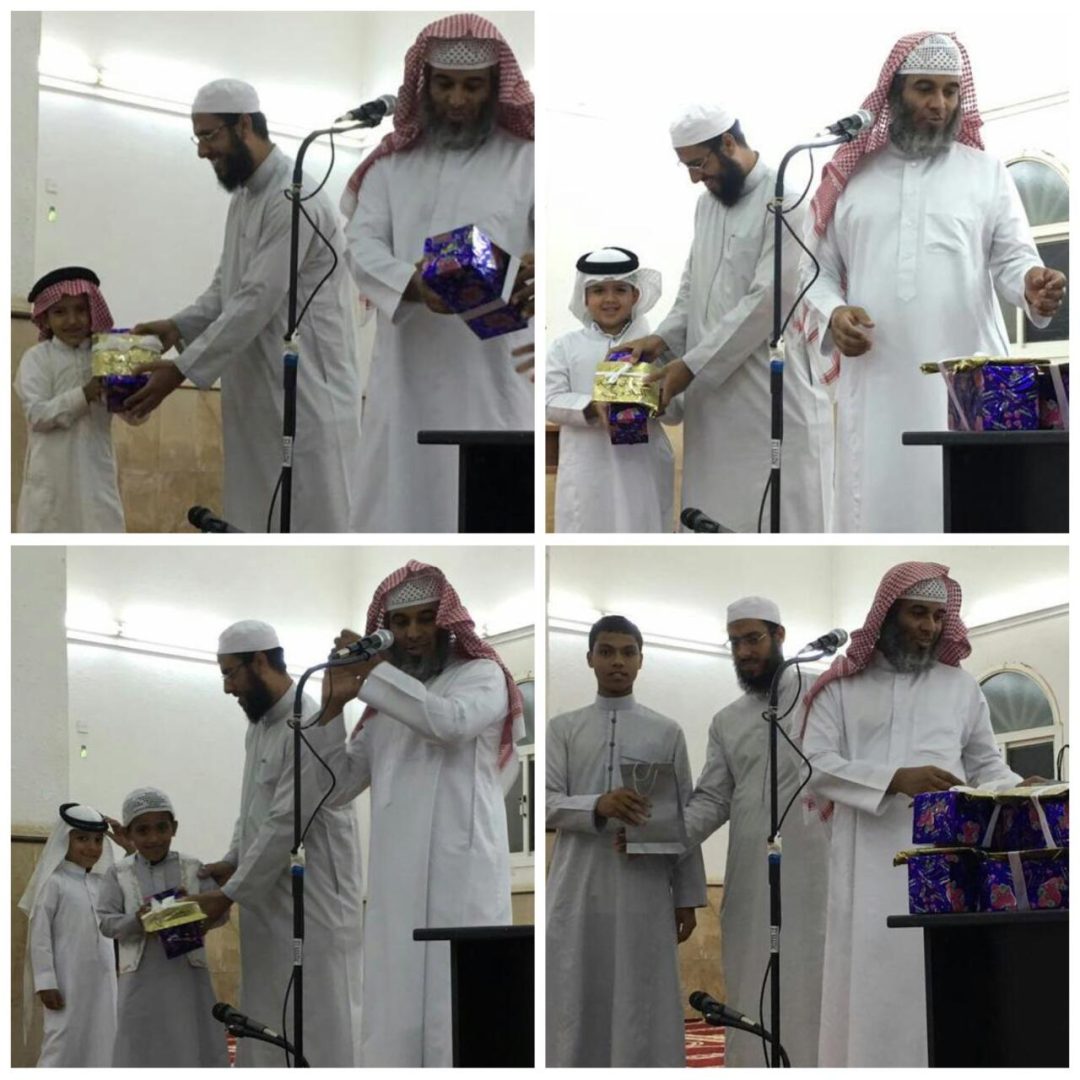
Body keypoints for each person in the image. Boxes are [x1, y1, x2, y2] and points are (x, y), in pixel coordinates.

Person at [800, 32, 1068, 532]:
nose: (939, 104)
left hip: (966, 385)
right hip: (877, 382)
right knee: (877, 508)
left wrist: (1031, 284)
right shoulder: (855, 177)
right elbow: (816, 272)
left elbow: (1014, 260)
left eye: (950, 91)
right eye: (924, 88)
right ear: (894, 93)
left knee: (966, 507)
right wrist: (834, 314)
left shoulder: (986, 172)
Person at [800, 562, 1022, 1066]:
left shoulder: (960, 688)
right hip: (865, 863)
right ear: (888, 614)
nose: (929, 627)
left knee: (939, 985)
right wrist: (894, 779)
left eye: (939, 617)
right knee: (870, 981)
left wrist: (1022, 788)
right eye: (917, 613)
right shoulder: (841, 687)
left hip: (947, 862)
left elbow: (986, 765)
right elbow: (816, 765)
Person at [128, 79, 364, 533]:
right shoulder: (244, 197)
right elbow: (228, 287)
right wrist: (178, 326)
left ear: (243, 125)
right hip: (256, 399)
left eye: (209, 136)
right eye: (197, 138)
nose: (203, 151)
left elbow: (257, 299)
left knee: (311, 522)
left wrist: (180, 370)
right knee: (254, 521)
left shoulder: (293, 197)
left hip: (307, 399)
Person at [317, 560, 526, 1065]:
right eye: (401, 622)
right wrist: (329, 713)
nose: (412, 633)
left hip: (462, 871)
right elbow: (337, 787)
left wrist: (373, 674)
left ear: (447, 621)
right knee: (398, 998)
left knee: (458, 1002)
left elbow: (450, 724)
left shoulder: (481, 675)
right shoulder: (383, 707)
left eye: (425, 618)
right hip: (397, 882)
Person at [341, 14, 535, 531]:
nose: (457, 100)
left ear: (495, 86)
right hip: (405, 378)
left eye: (473, 86)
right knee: (400, 500)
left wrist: (536, 269)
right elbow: (360, 244)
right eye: (445, 84)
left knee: (488, 508)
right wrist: (411, 283)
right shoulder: (390, 165)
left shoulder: (528, 160)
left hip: (494, 377)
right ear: (424, 83)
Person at [618, 105, 833, 532]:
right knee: (710, 516)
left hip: (766, 395)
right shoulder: (707, 206)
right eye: (686, 167)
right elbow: (691, 289)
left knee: (773, 519)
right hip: (711, 403)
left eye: (699, 164)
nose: (694, 177)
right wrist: (661, 340)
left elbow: (766, 301)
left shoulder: (786, 202)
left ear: (729, 143)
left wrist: (690, 366)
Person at [191, 620, 364, 1067]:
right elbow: (253, 807)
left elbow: (286, 821)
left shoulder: (311, 723)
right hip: (268, 906)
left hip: (313, 905)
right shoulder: (259, 727)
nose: (228, 688)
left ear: (260, 661)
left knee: (317, 1017)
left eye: (230, 673)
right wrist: (233, 859)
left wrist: (229, 894)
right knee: (267, 1015)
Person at [547, 615, 707, 1067]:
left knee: (642, 992)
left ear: (641, 661)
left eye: (627, 652)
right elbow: (545, 802)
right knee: (576, 992)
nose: (617, 661)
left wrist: (687, 897)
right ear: (590, 659)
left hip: (644, 891)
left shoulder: (666, 731)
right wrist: (599, 805)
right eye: (607, 652)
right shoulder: (563, 729)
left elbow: (684, 817)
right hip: (578, 890)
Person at [681, 597, 827, 1066]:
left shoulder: (822, 694)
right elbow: (712, 799)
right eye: (735, 642)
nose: (744, 651)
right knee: (751, 976)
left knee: (814, 977)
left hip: (816, 871)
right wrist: (659, 837)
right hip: (750, 876)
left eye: (753, 639)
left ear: (779, 636)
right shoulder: (727, 721)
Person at [547, 247, 683, 532]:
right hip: (586, 469)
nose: (609, 299)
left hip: (643, 469)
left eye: (620, 290)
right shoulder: (565, 346)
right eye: (598, 291)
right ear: (585, 298)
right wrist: (592, 406)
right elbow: (550, 401)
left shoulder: (655, 346)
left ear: (636, 295)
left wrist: (658, 401)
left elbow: (677, 411)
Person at [96, 787, 228, 1067]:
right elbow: (106, 922)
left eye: (161, 828)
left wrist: (195, 913)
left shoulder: (193, 867)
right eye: (142, 830)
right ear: (129, 834)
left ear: (174, 828)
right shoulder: (118, 873)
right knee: (141, 1047)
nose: (154, 838)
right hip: (140, 979)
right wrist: (137, 921)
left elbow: (221, 913)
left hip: (187, 978)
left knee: (189, 1040)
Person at [15, 267, 127, 533]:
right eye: (60, 312)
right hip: (51, 481)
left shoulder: (106, 356)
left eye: (80, 310)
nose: (72, 320)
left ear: (93, 312)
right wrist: (84, 394)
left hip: (96, 478)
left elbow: (133, 415)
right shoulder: (37, 359)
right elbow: (37, 414)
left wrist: (136, 391)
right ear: (46, 317)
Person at [18, 804, 118, 1067]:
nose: (92, 847)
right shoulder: (55, 882)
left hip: (103, 981)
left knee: (104, 1038)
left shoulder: (102, 883)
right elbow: (40, 936)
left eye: (98, 840)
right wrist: (45, 982)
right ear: (65, 840)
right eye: (82, 838)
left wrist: (129, 845)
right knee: (62, 1041)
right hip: (66, 981)